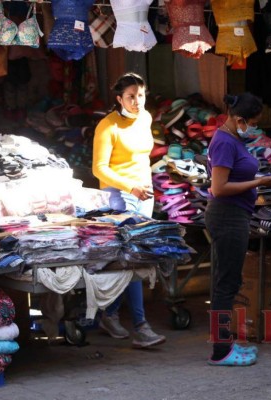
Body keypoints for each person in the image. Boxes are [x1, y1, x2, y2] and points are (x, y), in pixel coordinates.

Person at [205, 92, 271, 366]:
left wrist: (267, 180)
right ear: (239, 119)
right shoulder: (223, 142)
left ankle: (226, 344)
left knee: (229, 281)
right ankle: (221, 351)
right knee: (226, 283)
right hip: (227, 216)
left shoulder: (232, 138)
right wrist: (261, 182)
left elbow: (236, 177)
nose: (253, 128)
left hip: (237, 215)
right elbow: (218, 188)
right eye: (252, 123)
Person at [92, 72, 166, 349]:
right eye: (131, 97)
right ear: (119, 98)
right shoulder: (107, 126)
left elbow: (142, 157)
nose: (137, 101)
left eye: (141, 95)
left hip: (144, 195)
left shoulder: (145, 118)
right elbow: (99, 168)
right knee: (133, 260)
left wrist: (144, 188)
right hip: (118, 196)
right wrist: (130, 187)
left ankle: (109, 315)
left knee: (134, 258)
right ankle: (140, 326)